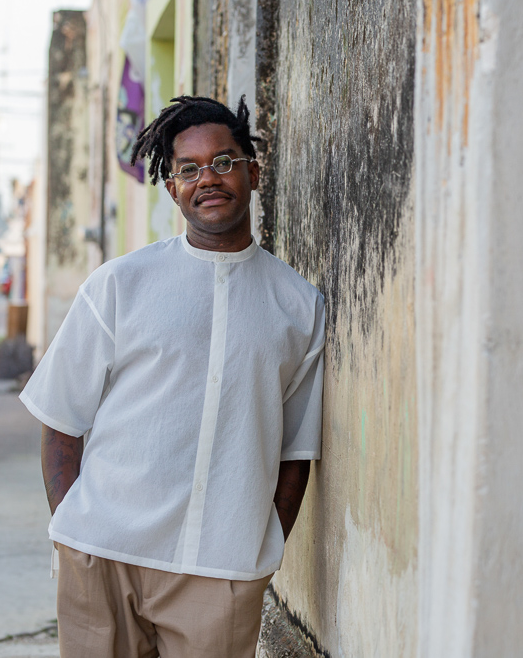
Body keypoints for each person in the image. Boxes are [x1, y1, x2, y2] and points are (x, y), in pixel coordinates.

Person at [19, 95, 325, 658]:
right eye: (189, 168)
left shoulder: (299, 305)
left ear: (253, 174)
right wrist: (72, 525)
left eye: (225, 162)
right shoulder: (119, 285)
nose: (208, 178)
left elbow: (296, 450)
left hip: (220, 570)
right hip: (101, 557)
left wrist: (264, 546)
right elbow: (60, 417)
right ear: (172, 188)